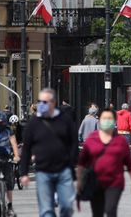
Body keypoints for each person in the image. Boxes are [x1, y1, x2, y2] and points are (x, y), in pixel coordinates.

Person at [19, 88, 77, 217]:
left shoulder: (65, 120)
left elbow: (73, 143)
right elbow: (26, 148)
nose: (41, 104)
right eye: (39, 101)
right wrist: (23, 173)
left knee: (67, 207)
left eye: (45, 102)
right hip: (43, 172)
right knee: (46, 211)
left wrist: (72, 164)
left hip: (64, 171)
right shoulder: (33, 123)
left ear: (53, 103)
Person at [77, 108, 131, 217]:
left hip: (114, 182)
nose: (107, 121)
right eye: (104, 118)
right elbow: (82, 162)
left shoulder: (121, 141)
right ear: (99, 120)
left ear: (115, 121)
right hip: (95, 182)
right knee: (97, 213)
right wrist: (79, 181)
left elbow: (129, 164)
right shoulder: (92, 139)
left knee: (110, 210)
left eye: (109, 119)